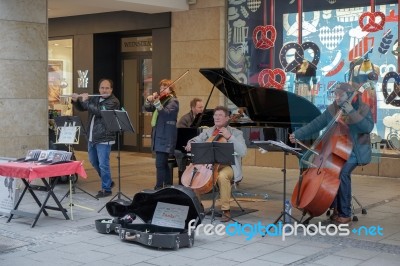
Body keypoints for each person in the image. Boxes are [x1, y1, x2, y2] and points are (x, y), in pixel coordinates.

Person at [289, 82, 374, 224]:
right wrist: (298, 134)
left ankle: (345, 213)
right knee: (329, 173)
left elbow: (368, 127)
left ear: (350, 96)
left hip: (356, 151)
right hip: (337, 150)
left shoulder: (363, 108)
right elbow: (317, 123)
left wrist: (351, 111)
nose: (337, 97)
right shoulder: (333, 108)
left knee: (342, 173)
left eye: (341, 94)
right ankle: (334, 207)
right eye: (335, 94)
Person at [185, 106, 247, 222]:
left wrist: (229, 137)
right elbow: (196, 139)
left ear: (227, 118)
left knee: (222, 176)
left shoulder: (236, 133)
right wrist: (191, 142)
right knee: (194, 177)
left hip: (228, 166)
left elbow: (243, 152)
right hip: (209, 165)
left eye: (220, 115)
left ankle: (226, 210)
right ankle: (198, 207)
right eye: (215, 115)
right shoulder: (208, 131)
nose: (217, 117)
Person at [71, 78, 120, 198]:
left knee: (103, 164)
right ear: (99, 89)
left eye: (107, 88)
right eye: (102, 88)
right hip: (92, 136)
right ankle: (108, 181)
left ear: (111, 89)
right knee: (93, 161)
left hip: (104, 137)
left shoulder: (113, 101)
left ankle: (106, 189)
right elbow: (83, 107)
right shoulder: (96, 98)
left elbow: (99, 112)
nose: (104, 90)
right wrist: (76, 100)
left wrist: (87, 100)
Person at [144, 79, 179, 189]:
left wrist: (157, 101)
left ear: (171, 90)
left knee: (159, 163)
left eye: (164, 88)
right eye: (160, 88)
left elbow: (165, 113)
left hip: (166, 136)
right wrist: (148, 100)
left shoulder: (173, 101)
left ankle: (158, 187)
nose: (161, 90)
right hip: (159, 135)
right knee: (163, 163)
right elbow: (148, 108)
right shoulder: (162, 100)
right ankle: (168, 185)